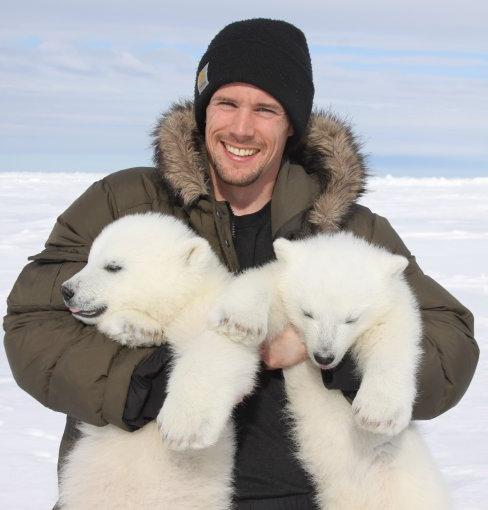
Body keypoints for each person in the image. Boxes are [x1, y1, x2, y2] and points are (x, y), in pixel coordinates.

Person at [3, 18, 478, 510]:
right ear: (204, 110)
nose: (242, 128)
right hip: (147, 490)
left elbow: (450, 344)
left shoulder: (346, 227)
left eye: (265, 109)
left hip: (312, 494)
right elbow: (33, 324)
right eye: (227, 103)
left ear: (291, 124)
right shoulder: (126, 201)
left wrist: (335, 350)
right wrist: (156, 378)